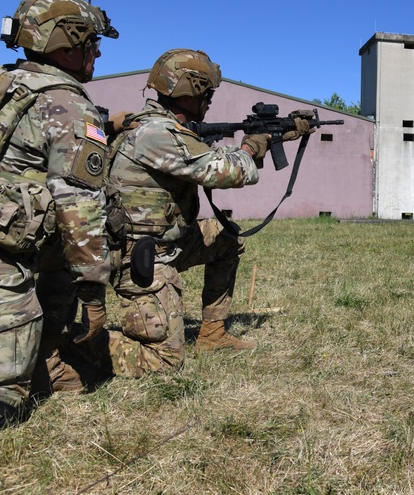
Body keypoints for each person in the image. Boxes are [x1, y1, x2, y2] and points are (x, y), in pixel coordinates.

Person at [0, 0, 117, 431]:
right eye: (92, 44)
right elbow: (81, 211)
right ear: (69, 44)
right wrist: (94, 292)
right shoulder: (67, 104)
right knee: (3, 400)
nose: (97, 56)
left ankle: (42, 355)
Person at [101, 48, 310, 378]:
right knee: (164, 362)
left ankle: (212, 335)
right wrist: (253, 145)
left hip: (168, 243)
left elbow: (202, 155)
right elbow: (227, 171)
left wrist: (275, 134)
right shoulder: (157, 135)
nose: (210, 99)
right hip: (140, 260)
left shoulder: (159, 128)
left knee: (227, 238)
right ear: (191, 91)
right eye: (207, 92)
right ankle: (76, 345)